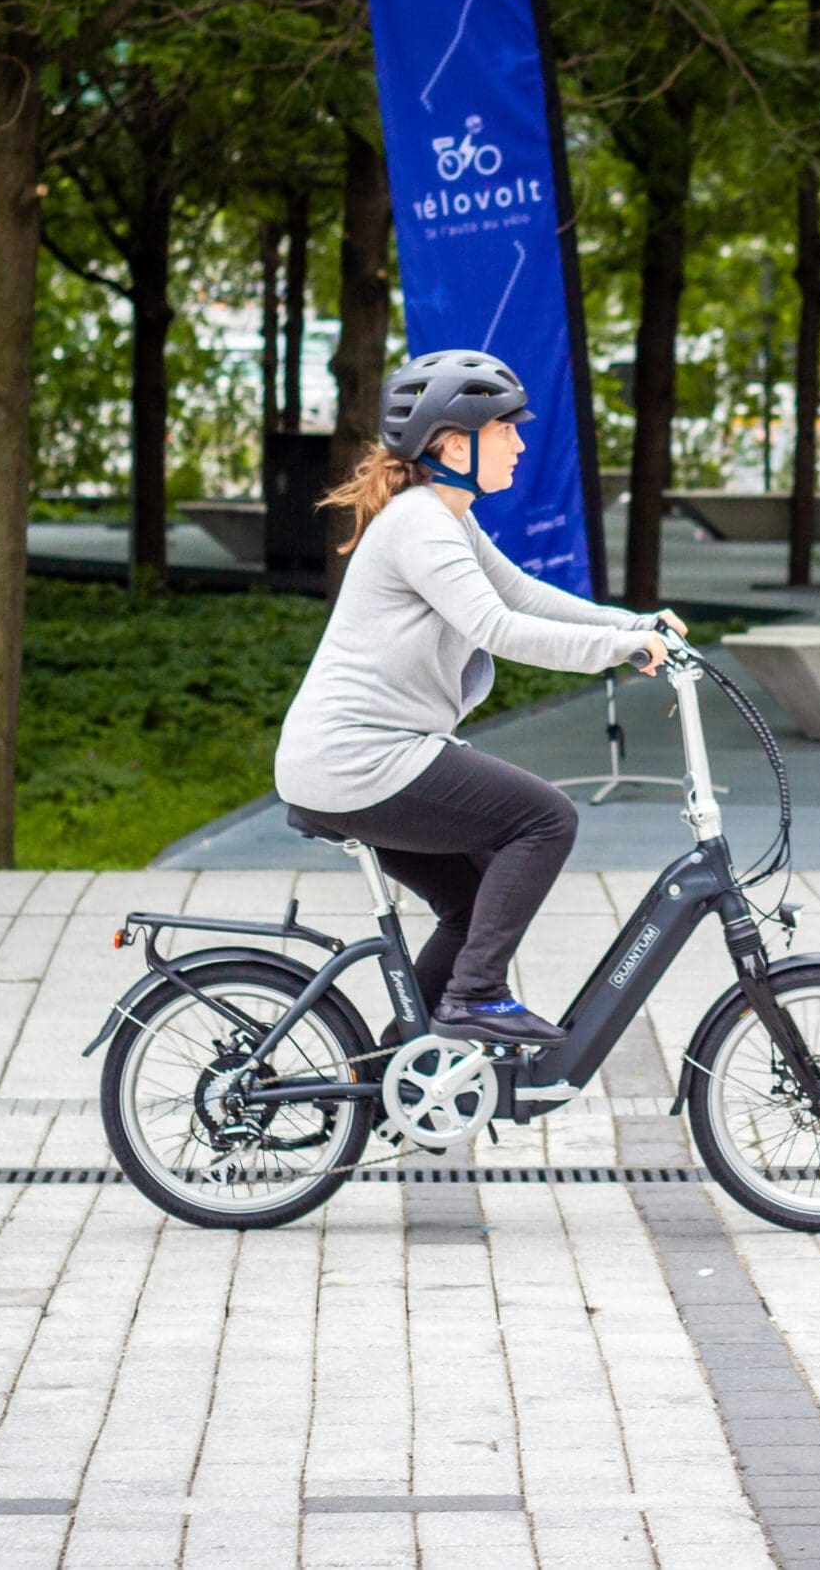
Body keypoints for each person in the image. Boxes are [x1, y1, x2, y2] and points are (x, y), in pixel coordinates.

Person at [274, 349, 680, 1047]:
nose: (521, 442)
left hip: (358, 759)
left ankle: (393, 1070)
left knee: (466, 903)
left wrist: (631, 624)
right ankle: (476, 998)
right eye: (505, 430)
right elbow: (498, 625)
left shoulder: (444, 517)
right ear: (456, 443)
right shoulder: (420, 524)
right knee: (546, 819)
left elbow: (519, 591)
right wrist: (618, 651)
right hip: (359, 761)